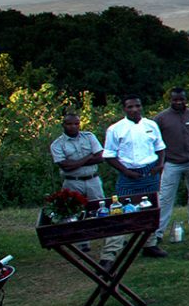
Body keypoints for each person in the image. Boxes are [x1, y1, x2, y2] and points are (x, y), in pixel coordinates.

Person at [49, 111, 127, 266]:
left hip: (92, 179)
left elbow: (100, 157)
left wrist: (76, 162)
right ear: (63, 125)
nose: (73, 126)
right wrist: (87, 158)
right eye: (69, 124)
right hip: (72, 181)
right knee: (74, 212)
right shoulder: (57, 144)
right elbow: (65, 166)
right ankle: (82, 242)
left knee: (100, 209)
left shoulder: (89, 137)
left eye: (76, 123)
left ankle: (110, 239)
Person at [102, 95, 167, 257]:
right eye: (130, 107)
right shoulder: (115, 129)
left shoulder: (151, 125)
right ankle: (110, 252)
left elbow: (160, 147)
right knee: (121, 212)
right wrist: (125, 171)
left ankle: (149, 244)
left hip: (150, 171)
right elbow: (109, 155)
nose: (135, 109)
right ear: (124, 109)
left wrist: (160, 165)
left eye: (137, 106)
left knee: (151, 209)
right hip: (128, 173)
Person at [154, 87, 189, 239]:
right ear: (170, 100)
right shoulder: (161, 118)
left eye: (181, 99)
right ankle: (158, 232)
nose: (178, 102)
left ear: (186, 99)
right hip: (172, 163)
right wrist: (161, 160)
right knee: (165, 197)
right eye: (175, 100)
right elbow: (155, 141)